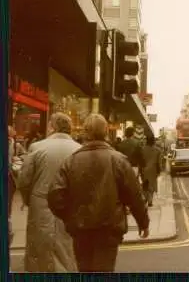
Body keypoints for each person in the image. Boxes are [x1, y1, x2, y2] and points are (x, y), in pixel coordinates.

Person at [48, 114, 150, 272]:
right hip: (108, 229)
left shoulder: (71, 161)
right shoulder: (118, 160)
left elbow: (55, 196)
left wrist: (70, 217)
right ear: (106, 132)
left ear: (85, 133)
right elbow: (134, 195)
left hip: (81, 229)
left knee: (84, 269)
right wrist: (143, 222)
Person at [16, 113, 81, 272]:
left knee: (39, 246)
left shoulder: (37, 147)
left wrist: (28, 200)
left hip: (41, 203)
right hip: (68, 206)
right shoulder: (80, 150)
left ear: (52, 127)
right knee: (66, 246)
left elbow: (24, 180)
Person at [141, 135, 163, 207]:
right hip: (153, 170)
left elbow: (140, 161)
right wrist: (160, 170)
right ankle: (150, 201)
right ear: (154, 141)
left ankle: (145, 198)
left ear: (146, 140)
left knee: (145, 185)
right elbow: (159, 162)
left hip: (143, 170)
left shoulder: (142, 149)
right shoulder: (158, 150)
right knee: (152, 185)